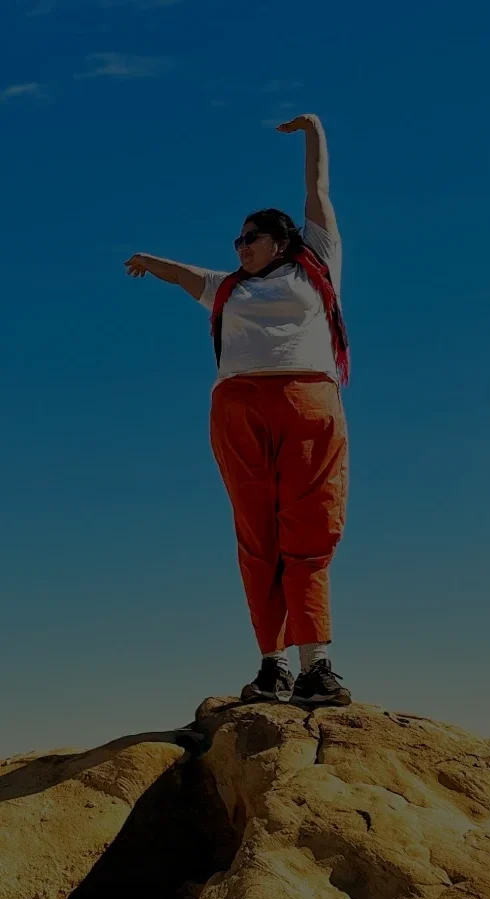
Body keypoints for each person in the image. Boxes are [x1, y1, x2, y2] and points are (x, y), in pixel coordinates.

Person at [125, 113, 351, 707]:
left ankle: (317, 667)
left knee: (310, 533)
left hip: (308, 403)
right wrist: (150, 260)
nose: (240, 246)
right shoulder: (228, 288)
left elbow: (317, 192)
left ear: (282, 240)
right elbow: (185, 276)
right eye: (237, 240)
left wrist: (314, 132)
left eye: (250, 237)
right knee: (258, 539)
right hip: (238, 411)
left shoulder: (318, 265)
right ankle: (273, 666)